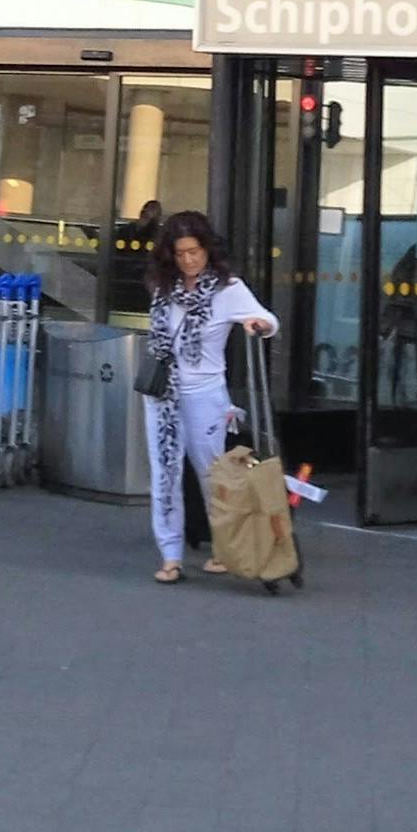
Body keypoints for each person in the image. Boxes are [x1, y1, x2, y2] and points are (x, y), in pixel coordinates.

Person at [140, 210, 275, 585]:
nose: (189, 260)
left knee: (213, 474)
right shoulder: (163, 288)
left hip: (206, 393)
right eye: (181, 253)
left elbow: (268, 319)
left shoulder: (227, 289)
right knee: (164, 473)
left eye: (195, 252)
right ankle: (170, 555)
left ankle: (223, 548)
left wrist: (258, 325)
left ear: (207, 250)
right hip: (163, 394)